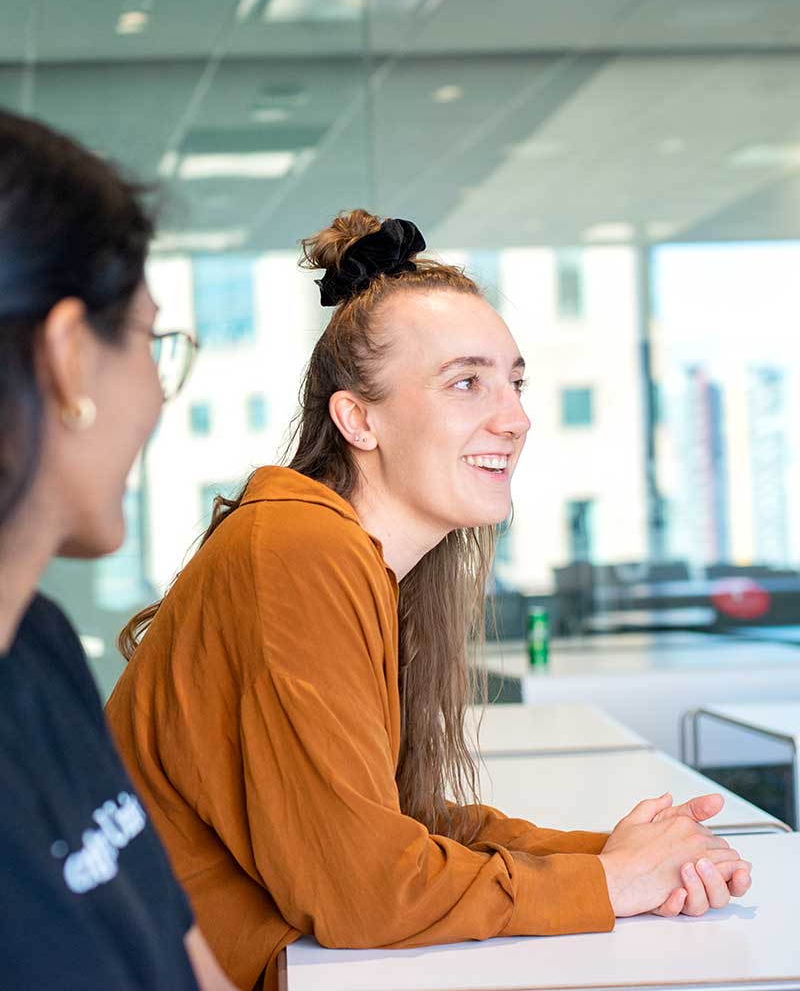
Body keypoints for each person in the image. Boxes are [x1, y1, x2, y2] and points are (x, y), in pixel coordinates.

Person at [106, 211, 752, 991]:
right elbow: (366, 890)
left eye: (514, 381)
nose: (516, 418)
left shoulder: (350, 558)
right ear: (358, 419)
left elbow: (398, 821)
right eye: (465, 382)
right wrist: (613, 883)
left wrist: (615, 854)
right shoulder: (299, 550)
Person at [0, 109, 236, 990]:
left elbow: (182, 953)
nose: (159, 396)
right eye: (150, 342)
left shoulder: (40, 642)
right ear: (67, 358)